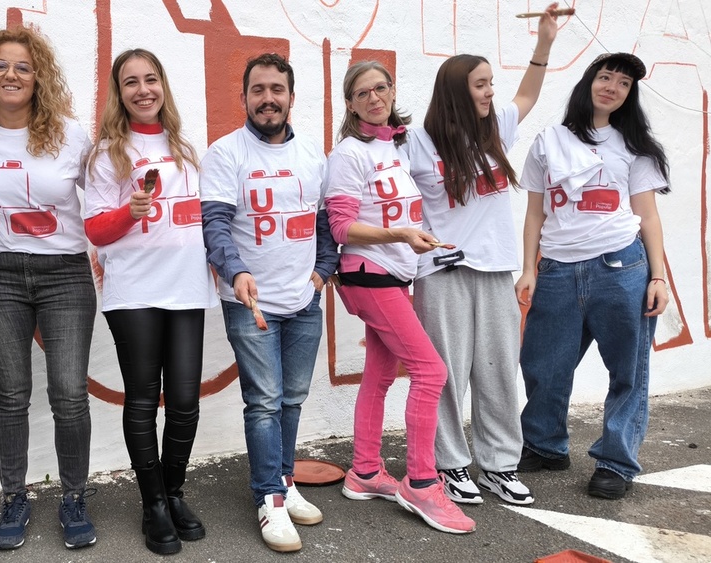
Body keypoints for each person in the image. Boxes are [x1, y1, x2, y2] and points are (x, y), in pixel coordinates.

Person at [404, 4, 560, 506]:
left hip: (495, 270)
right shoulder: (417, 141)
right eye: (480, 84)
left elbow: (528, 94)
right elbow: (380, 186)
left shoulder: (498, 130)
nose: (491, 91)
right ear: (455, 90)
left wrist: (544, 42)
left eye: (491, 82)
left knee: (496, 371)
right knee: (447, 372)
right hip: (443, 272)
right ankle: (449, 464)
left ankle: (499, 465)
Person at [0, 26, 98, 551]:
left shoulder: (70, 135)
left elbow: (113, 188)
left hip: (65, 273)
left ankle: (74, 496)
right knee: (11, 397)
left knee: (69, 394)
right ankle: (15, 497)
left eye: (23, 67)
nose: (11, 75)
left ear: (39, 78)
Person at [325, 61, 475, 534]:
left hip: (391, 274)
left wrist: (417, 238)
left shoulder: (394, 146)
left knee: (380, 371)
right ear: (349, 103)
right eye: (363, 92)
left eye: (382, 87)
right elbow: (341, 227)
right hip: (368, 275)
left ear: (392, 91)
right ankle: (423, 483)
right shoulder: (349, 154)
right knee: (431, 371)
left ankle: (365, 471)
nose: (374, 97)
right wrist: (401, 235)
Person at [200, 53, 339, 553]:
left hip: (303, 301)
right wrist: (235, 271)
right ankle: (269, 501)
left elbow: (325, 224)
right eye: (257, 90)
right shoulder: (225, 153)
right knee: (262, 402)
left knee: (292, 400)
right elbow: (214, 224)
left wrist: (323, 274)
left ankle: (284, 481)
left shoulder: (313, 157)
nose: (268, 99)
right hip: (250, 301)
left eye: (276, 89)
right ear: (244, 98)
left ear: (291, 97)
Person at [515, 52, 669, 500]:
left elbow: (648, 215)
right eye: (606, 77)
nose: (612, 87)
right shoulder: (549, 140)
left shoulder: (634, 146)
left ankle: (615, 462)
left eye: (623, 84)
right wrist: (530, 268)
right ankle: (545, 446)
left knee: (627, 370)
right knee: (544, 365)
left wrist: (658, 278)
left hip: (620, 267)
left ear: (628, 95)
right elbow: (534, 213)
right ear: (589, 82)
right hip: (558, 269)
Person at [83, 48, 216, 555]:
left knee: (184, 400)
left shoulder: (184, 147)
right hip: (133, 291)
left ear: (163, 85)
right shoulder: (107, 154)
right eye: (131, 82)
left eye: (151, 79)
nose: (143, 90)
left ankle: (174, 491)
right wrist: (129, 211)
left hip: (186, 288)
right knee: (143, 397)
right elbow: (96, 230)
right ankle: (153, 504)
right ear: (119, 93)